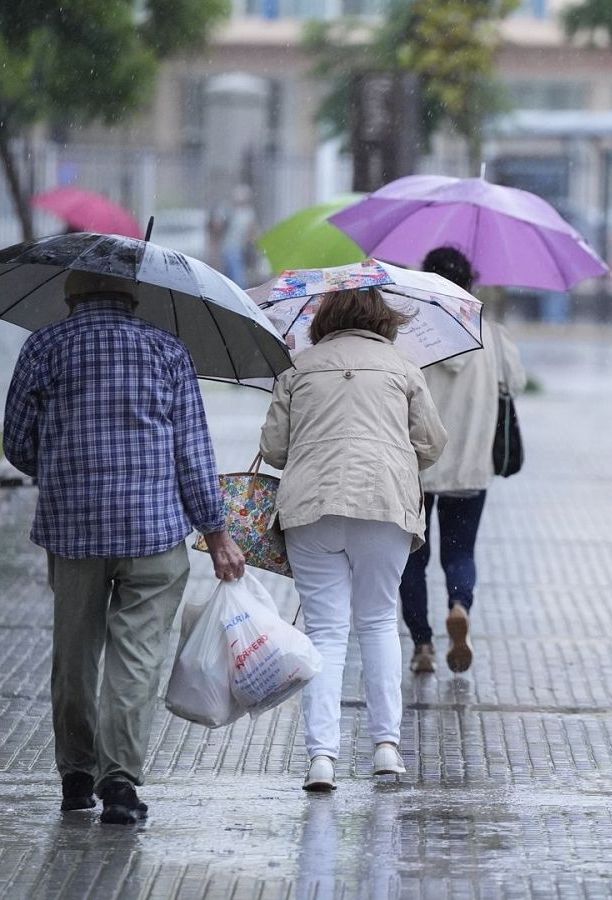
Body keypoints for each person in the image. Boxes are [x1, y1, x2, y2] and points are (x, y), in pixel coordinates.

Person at [3, 269, 245, 827]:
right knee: (135, 659)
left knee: (74, 654)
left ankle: (75, 777)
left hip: (73, 531)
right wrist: (217, 534)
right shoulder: (167, 350)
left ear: (70, 293)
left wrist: (65, 460)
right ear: (134, 294)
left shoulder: (44, 347)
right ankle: (119, 785)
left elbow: (17, 442)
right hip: (153, 532)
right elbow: (193, 454)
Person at [259, 287, 446, 792]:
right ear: (383, 320)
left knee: (325, 633)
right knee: (380, 622)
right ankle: (387, 747)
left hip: (311, 507)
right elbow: (431, 443)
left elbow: (273, 450)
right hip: (383, 504)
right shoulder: (403, 368)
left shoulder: (298, 370)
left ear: (324, 320)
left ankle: (322, 757)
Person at [400, 247, 526, 675]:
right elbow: (517, 383)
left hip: (414, 466)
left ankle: (422, 645)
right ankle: (459, 604)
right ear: (470, 282)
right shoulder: (492, 335)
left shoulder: (411, 336)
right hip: (470, 466)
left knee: (412, 558)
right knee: (460, 552)